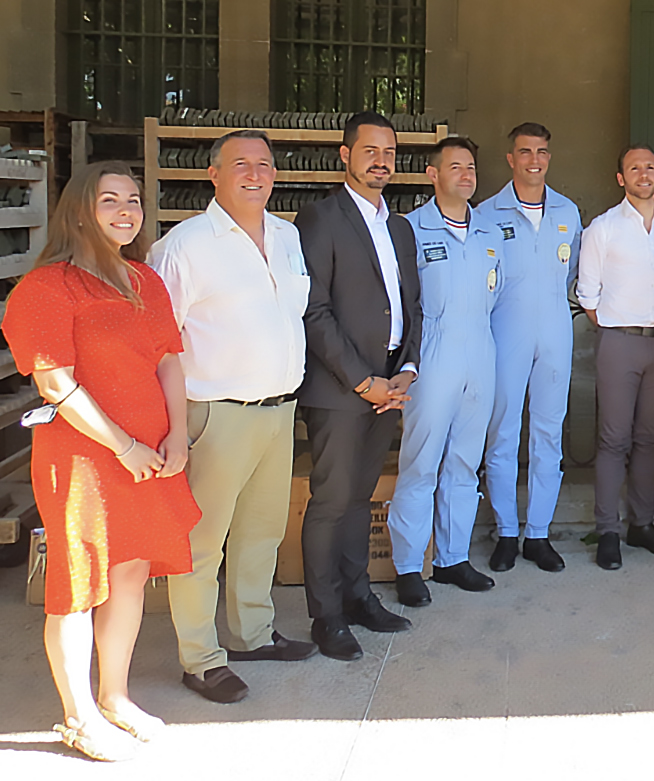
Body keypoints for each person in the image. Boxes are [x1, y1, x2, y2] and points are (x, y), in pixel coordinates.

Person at [1, 161, 200, 760]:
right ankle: (78, 714)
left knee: (130, 573)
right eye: (109, 199)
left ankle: (115, 696)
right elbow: (55, 382)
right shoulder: (45, 286)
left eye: (133, 200)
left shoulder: (145, 280)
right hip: (85, 457)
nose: (125, 211)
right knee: (77, 583)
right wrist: (125, 445)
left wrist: (178, 437)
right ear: (79, 209)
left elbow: (169, 360)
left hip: (150, 453)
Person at [148, 130, 317, 704]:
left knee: (262, 532)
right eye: (239, 164)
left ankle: (251, 634)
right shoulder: (185, 246)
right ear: (213, 175)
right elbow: (158, 343)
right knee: (202, 542)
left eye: (264, 164)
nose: (255, 173)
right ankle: (200, 658)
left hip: (278, 410)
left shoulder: (288, 236)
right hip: (215, 414)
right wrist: (172, 427)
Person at [296, 112, 421, 660]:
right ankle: (326, 617)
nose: (380, 161)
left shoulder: (399, 227)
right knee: (330, 502)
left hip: (388, 387)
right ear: (344, 155)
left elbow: (411, 306)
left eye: (389, 152)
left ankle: (357, 597)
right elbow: (315, 311)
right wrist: (363, 380)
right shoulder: (320, 219)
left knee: (358, 500)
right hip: (341, 390)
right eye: (369, 150)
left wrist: (406, 370)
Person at [388, 136, 505, 607]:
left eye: (472, 166)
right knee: (421, 463)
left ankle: (453, 558)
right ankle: (407, 565)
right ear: (432, 175)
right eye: (455, 166)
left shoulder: (490, 232)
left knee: (463, 461)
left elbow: (494, 297)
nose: (466, 174)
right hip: (433, 352)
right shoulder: (411, 229)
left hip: (480, 349)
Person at [476, 123, 582, 574]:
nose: (533, 160)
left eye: (541, 151)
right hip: (505, 332)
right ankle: (505, 530)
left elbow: (573, 272)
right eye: (524, 152)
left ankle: (537, 532)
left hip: (555, 332)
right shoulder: (486, 213)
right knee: (501, 433)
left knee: (548, 433)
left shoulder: (568, 212)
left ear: (549, 157)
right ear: (510, 159)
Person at [576, 144, 654, 570]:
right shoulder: (602, 228)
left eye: (650, 167)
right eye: (634, 168)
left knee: (650, 438)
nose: (643, 173)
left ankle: (642, 525)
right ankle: (607, 530)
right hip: (619, 341)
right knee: (613, 438)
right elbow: (588, 294)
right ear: (620, 178)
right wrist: (617, 325)